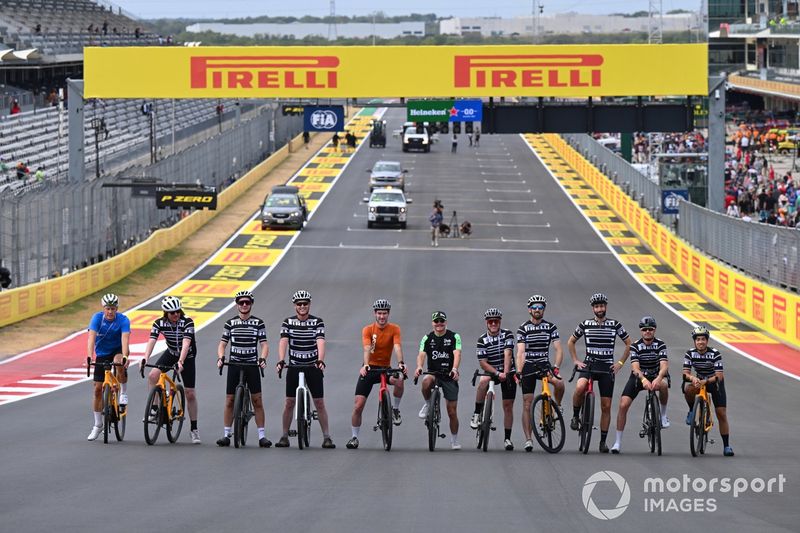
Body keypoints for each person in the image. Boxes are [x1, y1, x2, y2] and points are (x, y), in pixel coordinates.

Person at [567, 293, 631, 453]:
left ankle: (602, 441)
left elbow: (629, 344)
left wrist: (620, 363)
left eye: (602, 306)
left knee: (606, 406)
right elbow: (571, 341)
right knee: (580, 387)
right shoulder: (585, 324)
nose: (599, 309)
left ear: (606, 307)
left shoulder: (615, 325)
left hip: (607, 367)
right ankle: (575, 415)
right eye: (597, 306)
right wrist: (575, 360)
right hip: (589, 363)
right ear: (593, 308)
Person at [274, 290, 335, 449]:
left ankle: (327, 437)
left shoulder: (317, 322)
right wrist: (281, 360)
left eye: (305, 304)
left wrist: (320, 360)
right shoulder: (288, 322)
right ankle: (284, 436)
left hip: (312, 366)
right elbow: (283, 342)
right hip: (294, 366)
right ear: (295, 306)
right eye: (299, 304)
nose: (302, 306)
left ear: (309, 305)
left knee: (319, 403)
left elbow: (320, 341)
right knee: (289, 402)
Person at [347, 299, 407, 449]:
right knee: (358, 405)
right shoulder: (368, 329)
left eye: (384, 313)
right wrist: (366, 365)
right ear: (375, 314)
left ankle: (395, 409)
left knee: (399, 380)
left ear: (388, 314)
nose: (382, 316)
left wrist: (401, 363)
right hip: (369, 368)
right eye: (379, 313)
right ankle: (354, 437)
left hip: (385, 368)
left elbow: (397, 346)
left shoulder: (394, 329)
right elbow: (367, 348)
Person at [141, 296, 201, 444]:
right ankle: (154, 409)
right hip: (171, 352)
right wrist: (145, 358)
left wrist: (181, 362)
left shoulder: (187, 322)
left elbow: (186, 343)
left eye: (178, 311)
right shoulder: (159, 323)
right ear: (165, 313)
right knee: (153, 375)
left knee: (190, 393)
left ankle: (194, 429)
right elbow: (152, 340)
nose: (176, 315)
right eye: (172, 312)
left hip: (187, 356)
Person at [216, 290, 271, 448]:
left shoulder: (258, 323)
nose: (244, 305)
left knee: (257, 401)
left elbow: (264, 344)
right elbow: (222, 344)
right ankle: (226, 435)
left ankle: (262, 436)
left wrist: (262, 358)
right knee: (230, 400)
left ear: (251, 304)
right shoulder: (230, 323)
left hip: (252, 365)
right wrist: (221, 357)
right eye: (241, 302)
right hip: (234, 364)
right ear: (237, 305)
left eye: (247, 302)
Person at [610, 316, 670, 454]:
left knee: (664, 385)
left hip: (656, 374)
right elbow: (635, 368)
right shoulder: (635, 346)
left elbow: (664, 366)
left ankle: (663, 415)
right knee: (623, 404)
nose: (647, 331)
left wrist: (658, 378)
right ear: (641, 331)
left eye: (650, 329)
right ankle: (617, 442)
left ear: (654, 330)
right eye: (644, 329)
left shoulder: (660, 344)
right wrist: (643, 380)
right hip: (639, 376)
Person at [515, 295, 565, 452]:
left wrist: (556, 366)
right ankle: (528, 439)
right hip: (529, 365)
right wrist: (519, 371)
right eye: (535, 307)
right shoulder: (523, 328)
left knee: (559, 383)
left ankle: (557, 405)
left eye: (540, 307)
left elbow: (558, 349)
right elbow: (521, 352)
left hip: (544, 365)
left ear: (543, 310)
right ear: (530, 309)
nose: (537, 310)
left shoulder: (550, 327)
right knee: (527, 403)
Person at [683, 326, 734, 457]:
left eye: (703, 339)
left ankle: (726, 445)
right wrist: (692, 378)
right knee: (688, 389)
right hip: (699, 380)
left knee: (721, 413)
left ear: (707, 341)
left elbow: (719, 376)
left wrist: (707, 381)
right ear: (694, 341)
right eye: (698, 339)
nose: (701, 342)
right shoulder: (690, 353)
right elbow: (685, 374)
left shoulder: (715, 353)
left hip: (714, 382)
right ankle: (691, 411)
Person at [86, 293, 130, 441]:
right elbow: (91, 338)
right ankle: (98, 425)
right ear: (103, 308)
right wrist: (89, 356)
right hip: (102, 353)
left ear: (116, 308)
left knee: (118, 363)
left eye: (113, 308)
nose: (110, 312)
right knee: (98, 389)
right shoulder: (97, 318)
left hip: (118, 350)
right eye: (107, 308)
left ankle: (123, 392)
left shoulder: (123, 320)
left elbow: (125, 339)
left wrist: (125, 356)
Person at [415, 311, 462, 450]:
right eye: (436, 321)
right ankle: (428, 403)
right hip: (433, 373)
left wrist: (454, 369)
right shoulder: (427, 338)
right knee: (425, 381)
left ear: (446, 322)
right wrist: (419, 367)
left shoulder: (454, 336)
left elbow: (457, 353)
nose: (439, 324)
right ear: (432, 323)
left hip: (448, 375)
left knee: (452, 411)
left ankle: (454, 440)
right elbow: (421, 354)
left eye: (442, 321)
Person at [471, 308, 515, 450]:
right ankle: (477, 414)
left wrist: (506, 374)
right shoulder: (482, 340)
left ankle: (507, 439)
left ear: (500, 322)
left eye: (496, 321)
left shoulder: (507, 334)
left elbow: (508, 354)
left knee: (508, 406)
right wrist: (497, 373)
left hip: (507, 371)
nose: (494, 323)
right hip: (492, 370)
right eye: (491, 321)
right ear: (487, 323)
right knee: (483, 381)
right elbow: (483, 362)